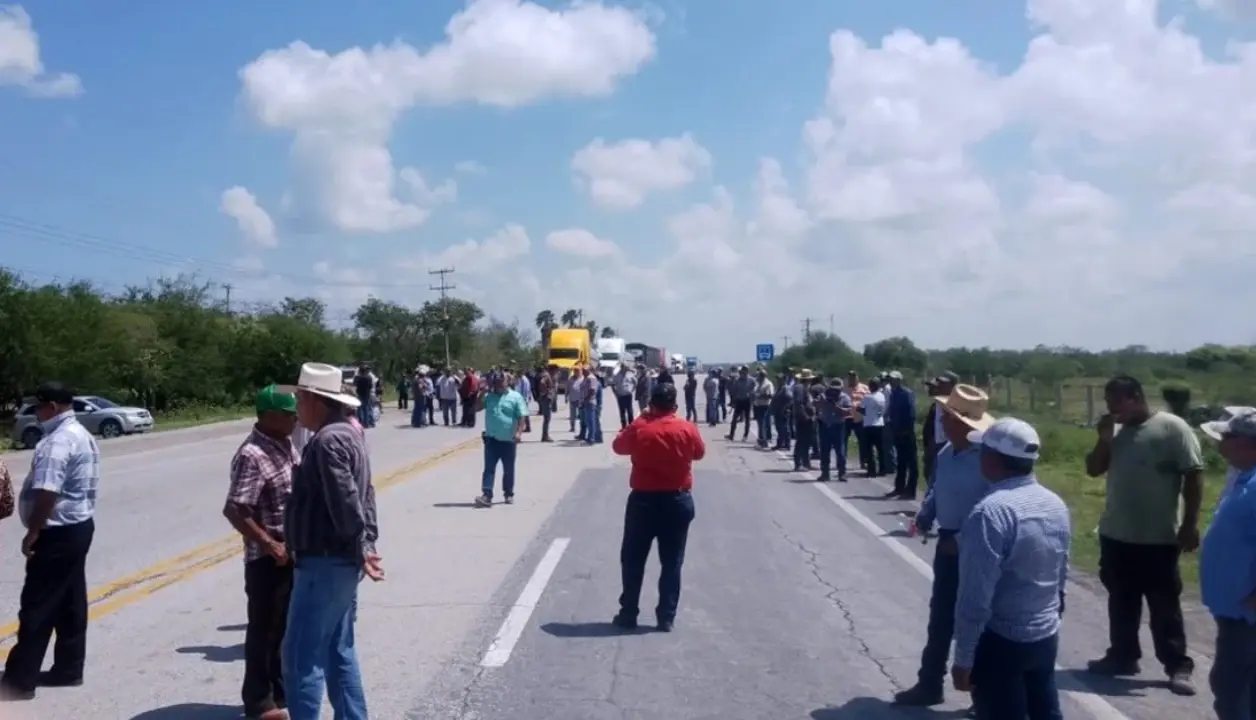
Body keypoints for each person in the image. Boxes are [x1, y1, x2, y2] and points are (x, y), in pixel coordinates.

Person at [1083, 375, 1200, 695]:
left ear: (1135, 397)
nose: (1111, 409)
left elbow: (1193, 475)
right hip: (1117, 533)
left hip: (1158, 536)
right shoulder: (1115, 431)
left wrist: (1190, 524)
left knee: (1164, 605)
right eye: (1108, 403)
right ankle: (1123, 656)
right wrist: (1104, 440)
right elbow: (1093, 469)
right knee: (1121, 600)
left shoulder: (1172, 428)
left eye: (1116, 402)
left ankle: (1177, 665)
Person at [281, 362, 383, 720]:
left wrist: (361, 544)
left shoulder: (328, 441)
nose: (296, 408)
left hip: (324, 562)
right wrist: (365, 545)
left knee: (299, 656)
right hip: (339, 560)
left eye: (299, 399)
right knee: (338, 651)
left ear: (315, 400)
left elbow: (347, 501)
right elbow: (366, 496)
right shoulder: (347, 434)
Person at [951, 416, 1069, 720]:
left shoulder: (990, 513)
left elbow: (975, 598)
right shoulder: (1055, 503)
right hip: (1045, 635)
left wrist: (964, 658)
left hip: (1002, 641)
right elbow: (1060, 572)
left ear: (992, 459)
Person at [894, 385, 993, 711]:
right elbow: (937, 489)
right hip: (948, 547)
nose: (942, 421)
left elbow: (996, 507)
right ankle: (929, 684)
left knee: (978, 620)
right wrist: (926, 515)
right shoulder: (947, 453)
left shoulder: (988, 459)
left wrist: (962, 539)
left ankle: (983, 695)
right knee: (940, 619)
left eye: (948, 417)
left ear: (965, 423)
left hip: (981, 549)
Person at [1, 382, 99, 700]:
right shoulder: (80, 433)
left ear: (52, 407)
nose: (36, 413)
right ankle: (68, 668)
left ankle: (19, 681)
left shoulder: (57, 441)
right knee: (70, 601)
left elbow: (48, 491)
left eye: (38, 407)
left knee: (38, 606)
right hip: (78, 527)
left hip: (56, 532)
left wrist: (33, 531)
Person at [223, 385, 300, 720]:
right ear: (269, 416)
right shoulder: (252, 455)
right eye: (289, 415)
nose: (296, 420)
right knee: (265, 631)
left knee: (283, 630)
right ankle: (259, 702)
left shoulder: (283, 444)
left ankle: (280, 695)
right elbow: (235, 509)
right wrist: (270, 544)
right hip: (268, 560)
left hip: (290, 554)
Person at [611, 383, 705, 632]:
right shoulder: (686, 427)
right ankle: (666, 617)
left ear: (652, 403)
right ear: (674, 404)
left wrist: (640, 419)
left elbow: (618, 446)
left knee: (633, 560)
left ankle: (628, 613)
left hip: (644, 502)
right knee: (672, 562)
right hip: (677, 501)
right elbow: (699, 453)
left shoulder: (642, 427)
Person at [1198, 409, 1256, 720]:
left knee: (1231, 690)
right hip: (1237, 609)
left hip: (1247, 614)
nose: (1221, 443)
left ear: (1247, 443)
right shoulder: (1245, 479)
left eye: (1227, 436)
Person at [475, 372, 528, 508]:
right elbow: (477, 408)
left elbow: (522, 416)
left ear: (507, 382)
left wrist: (519, 433)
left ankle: (508, 493)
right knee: (489, 468)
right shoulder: (489, 396)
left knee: (508, 469)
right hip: (491, 439)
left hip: (509, 440)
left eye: (501, 381)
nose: (498, 384)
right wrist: (482, 393)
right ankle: (487, 495)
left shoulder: (516, 397)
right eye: (496, 382)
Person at [886, 371, 919, 499]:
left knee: (911, 462)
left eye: (893, 379)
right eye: (890, 379)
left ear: (899, 380)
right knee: (901, 461)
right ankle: (899, 487)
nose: (891, 381)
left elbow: (911, 413)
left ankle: (911, 490)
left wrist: (907, 429)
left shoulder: (906, 393)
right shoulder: (893, 393)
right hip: (897, 431)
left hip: (906, 432)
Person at [815, 380, 852, 482]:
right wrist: (822, 402)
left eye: (837, 390)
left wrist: (836, 407)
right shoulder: (824, 395)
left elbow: (848, 412)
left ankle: (842, 473)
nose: (834, 392)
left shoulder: (844, 397)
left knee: (840, 451)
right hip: (825, 425)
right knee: (824, 451)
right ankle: (825, 474)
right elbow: (815, 404)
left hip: (838, 426)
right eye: (833, 389)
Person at [861, 378, 888, 477]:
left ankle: (871, 470)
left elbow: (862, 409)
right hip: (880, 423)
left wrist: (859, 409)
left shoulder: (867, 397)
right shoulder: (882, 396)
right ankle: (882, 469)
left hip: (869, 424)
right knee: (880, 448)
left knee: (869, 449)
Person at [792, 369, 817, 472]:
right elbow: (799, 404)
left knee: (806, 442)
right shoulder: (800, 388)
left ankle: (806, 463)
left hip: (808, 418)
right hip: (803, 419)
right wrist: (805, 416)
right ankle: (798, 463)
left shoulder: (805, 388)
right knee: (801, 441)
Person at [726, 366, 755, 442]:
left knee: (747, 419)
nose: (742, 373)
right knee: (734, 418)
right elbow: (734, 391)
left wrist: (753, 399)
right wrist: (733, 402)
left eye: (744, 371)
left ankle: (745, 436)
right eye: (741, 371)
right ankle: (731, 435)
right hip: (739, 401)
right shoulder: (737, 380)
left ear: (747, 371)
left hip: (747, 401)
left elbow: (755, 390)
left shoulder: (751, 380)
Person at [537, 365, 556, 442]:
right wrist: (547, 391)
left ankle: (545, 435)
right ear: (553, 370)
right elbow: (542, 383)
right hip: (546, 399)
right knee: (547, 418)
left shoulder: (546, 374)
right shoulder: (546, 375)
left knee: (547, 418)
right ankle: (545, 436)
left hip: (545, 398)